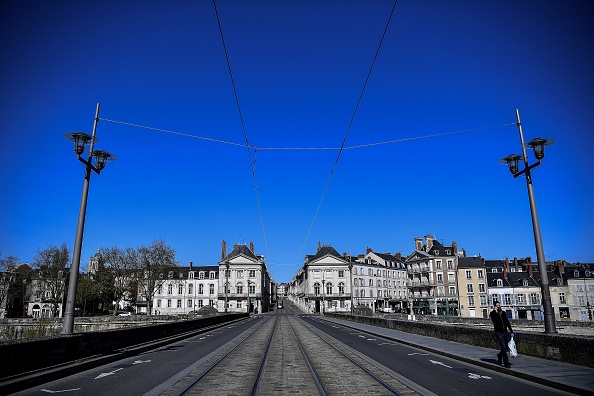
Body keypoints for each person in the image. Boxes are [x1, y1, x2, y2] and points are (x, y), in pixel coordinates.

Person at [490, 301, 514, 367]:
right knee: (503, 346)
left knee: (506, 347)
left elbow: (506, 321)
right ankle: (506, 362)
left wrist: (511, 331)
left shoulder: (503, 313)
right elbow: (495, 321)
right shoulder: (492, 313)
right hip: (498, 332)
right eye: (497, 306)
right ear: (494, 306)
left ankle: (499, 355)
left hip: (505, 332)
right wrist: (496, 312)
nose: (498, 307)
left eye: (499, 305)